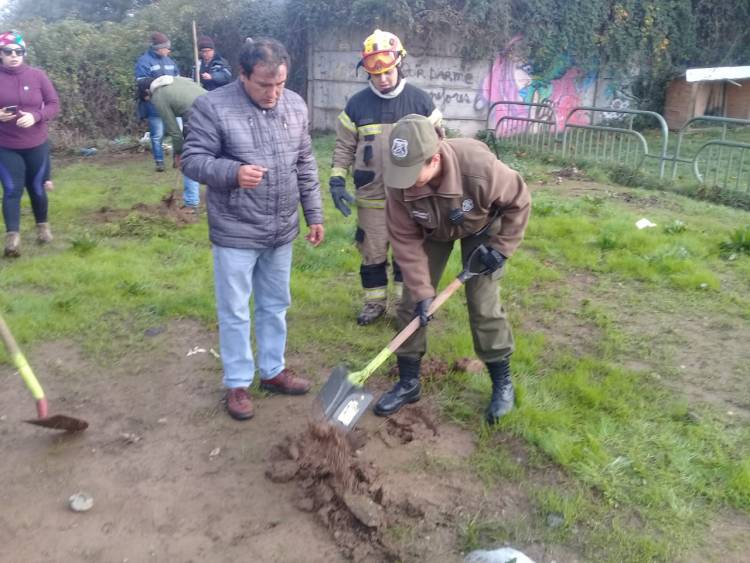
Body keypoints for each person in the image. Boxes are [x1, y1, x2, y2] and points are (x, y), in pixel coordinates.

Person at [182, 38, 324, 421]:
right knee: (234, 311)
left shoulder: (294, 105)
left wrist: (314, 214)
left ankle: (273, 371)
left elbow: (305, 164)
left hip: (281, 229)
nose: (273, 93)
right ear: (243, 75)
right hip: (236, 230)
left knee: (275, 305)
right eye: (264, 84)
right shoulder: (212, 106)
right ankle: (238, 382)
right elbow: (192, 160)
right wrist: (232, 173)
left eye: (279, 84)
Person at [376, 114, 531, 424]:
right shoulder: (398, 179)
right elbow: (405, 241)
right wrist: (422, 292)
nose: (402, 180)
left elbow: (520, 200)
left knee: (482, 303)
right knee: (411, 302)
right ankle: (409, 381)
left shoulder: (479, 167)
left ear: (434, 159)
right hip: (431, 230)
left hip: (482, 226)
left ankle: (502, 382)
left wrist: (501, 249)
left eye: (411, 172)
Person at [329, 29, 442, 326]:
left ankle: (408, 307)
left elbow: (440, 147)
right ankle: (374, 304)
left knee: (409, 253)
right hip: (372, 196)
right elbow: (344, 146)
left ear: (398, 64)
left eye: (388, 72)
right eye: (375, 74)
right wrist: (336, 180)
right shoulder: (356, 105)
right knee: (372, 251)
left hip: (412, 195)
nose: (382, 79)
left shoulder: (421, 102)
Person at [0, 30, 60, 257]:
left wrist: (36, 116)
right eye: (8, 52)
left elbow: (54, 104)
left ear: (24, 53)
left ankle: (42, 227)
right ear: (1, 54)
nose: (14, 55)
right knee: (11, 189)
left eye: (18, 52)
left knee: (36, 188)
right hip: (5, 145)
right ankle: (12, 239)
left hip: (36, 143)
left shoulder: (37, 76)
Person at [139, 75, 205, 211]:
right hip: (215, 106)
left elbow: (174, 131)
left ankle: (191, 204)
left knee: (189, 158)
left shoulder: (158, 96)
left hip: (197, 115)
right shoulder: (175, 80)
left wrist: (179, 153)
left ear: (147, 92)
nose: (150, 102)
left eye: (147, 100)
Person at [134, 32, 180, 172]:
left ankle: (177, 159)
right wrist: (159, 83)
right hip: (154, 106)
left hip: (173, 105)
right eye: (166, 48)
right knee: (157, 135)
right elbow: (141, 82)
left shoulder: (169, 61)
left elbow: (177, 79)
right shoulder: (144, 61)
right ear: (158, 48)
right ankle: (159, 162)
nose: (168, 50)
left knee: (178, 132)